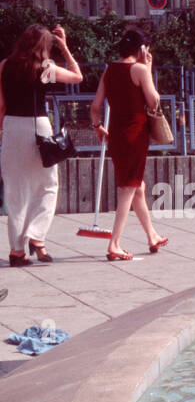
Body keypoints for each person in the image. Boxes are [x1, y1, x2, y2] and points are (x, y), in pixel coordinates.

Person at [0, 25, 82, 266]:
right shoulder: (45, 68)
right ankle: (36, 236)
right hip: (38, 127)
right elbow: (77, 76)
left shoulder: (4, 66)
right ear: (45, 46)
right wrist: (65, 47)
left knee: (15, 191)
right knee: (48, 186)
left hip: (12, 128)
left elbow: (1, 107)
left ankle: (17, 251)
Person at [90, 27, 167, 261]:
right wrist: (149, 69)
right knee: (128, 188)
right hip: (135, 135)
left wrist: (97, 127)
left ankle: (151, 234)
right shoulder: (140, 70)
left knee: (137, 186)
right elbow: (154, 100)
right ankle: (114, 243)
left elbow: (95, 106)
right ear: (142, 49)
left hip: (115, 135)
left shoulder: (109, 70)